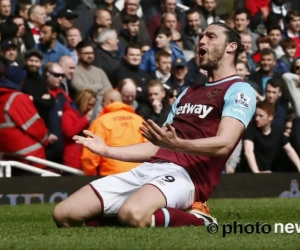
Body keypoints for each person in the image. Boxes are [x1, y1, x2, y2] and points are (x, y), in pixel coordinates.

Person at [52, 22, 256, 229]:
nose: (201, 41)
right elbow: (159, 146)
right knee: (64, 214)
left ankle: (198, 218)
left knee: (133, 214)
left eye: (211, 37)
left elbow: (225, 144)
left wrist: (177, 145)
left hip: (188, 176)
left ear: (231, 47)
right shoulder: (188, 92)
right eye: (201, 36)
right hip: (150, 169)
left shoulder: (239, 90)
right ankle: (118, 217)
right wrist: (107, 150)